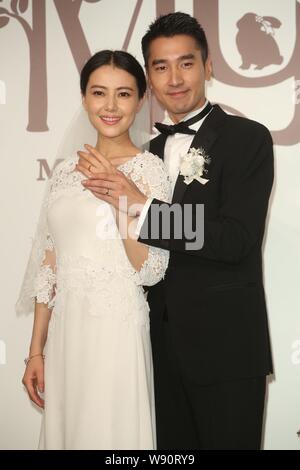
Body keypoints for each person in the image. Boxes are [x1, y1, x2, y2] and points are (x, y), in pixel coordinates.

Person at [79, 13, 274, 450]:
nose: (175, 78)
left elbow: (235, 239)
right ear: (149, 76)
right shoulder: (144, 154)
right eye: (160, 66)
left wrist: (141, 206)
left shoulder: (248, 139)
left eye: (186, 63)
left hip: (226, 351)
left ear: (207, 66)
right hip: (154, 353)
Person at [17, 50, 171, 450]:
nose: (110, 106)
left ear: (140, 101)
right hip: (67, 334)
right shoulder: (66, 170)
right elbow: (49, 264)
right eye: (99, 92)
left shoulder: (149, 169)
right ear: (84, 97)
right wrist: (36, 351)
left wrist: (118, 196)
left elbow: (152, 270)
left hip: (116, 328)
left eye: (123, 94)